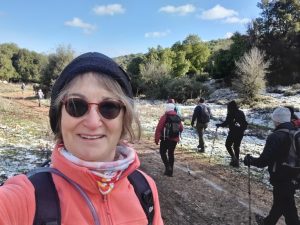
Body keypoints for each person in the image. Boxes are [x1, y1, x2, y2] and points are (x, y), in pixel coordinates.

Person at [0, 52, 163, 225]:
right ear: (59, 118)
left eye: (109, 107)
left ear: (124, 119)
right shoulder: (26, 198)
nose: (93, 123)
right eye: (76, 105)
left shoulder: (145, 188)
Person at [244, 107, 300, 225]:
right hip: (295, 175)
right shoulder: (296, 131)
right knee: (281, 203)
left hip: (281, 177)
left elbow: (264, 161)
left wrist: (250, 160)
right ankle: (267, 222)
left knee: (290, 212)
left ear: (277, 120)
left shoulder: (276, 136)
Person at [155, 102, 183, 177]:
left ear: (167, 109)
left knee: (162, 152)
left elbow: (159, 128)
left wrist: (157, 139)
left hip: (165, 138)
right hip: (174, 139)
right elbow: (181, 128)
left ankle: (168, 167)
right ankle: (170, 172)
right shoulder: (177, 117)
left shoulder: (165, 117)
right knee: (171, 153)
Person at [216, 100, 247, 167]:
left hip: (233, 132)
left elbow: (226, 123)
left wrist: (219, 125)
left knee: (228, 145)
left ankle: (233, 158)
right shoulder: (241, 112)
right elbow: (244, 122)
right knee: (236, 146)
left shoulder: (230, 113)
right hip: (240, 132)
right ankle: (237, 162)